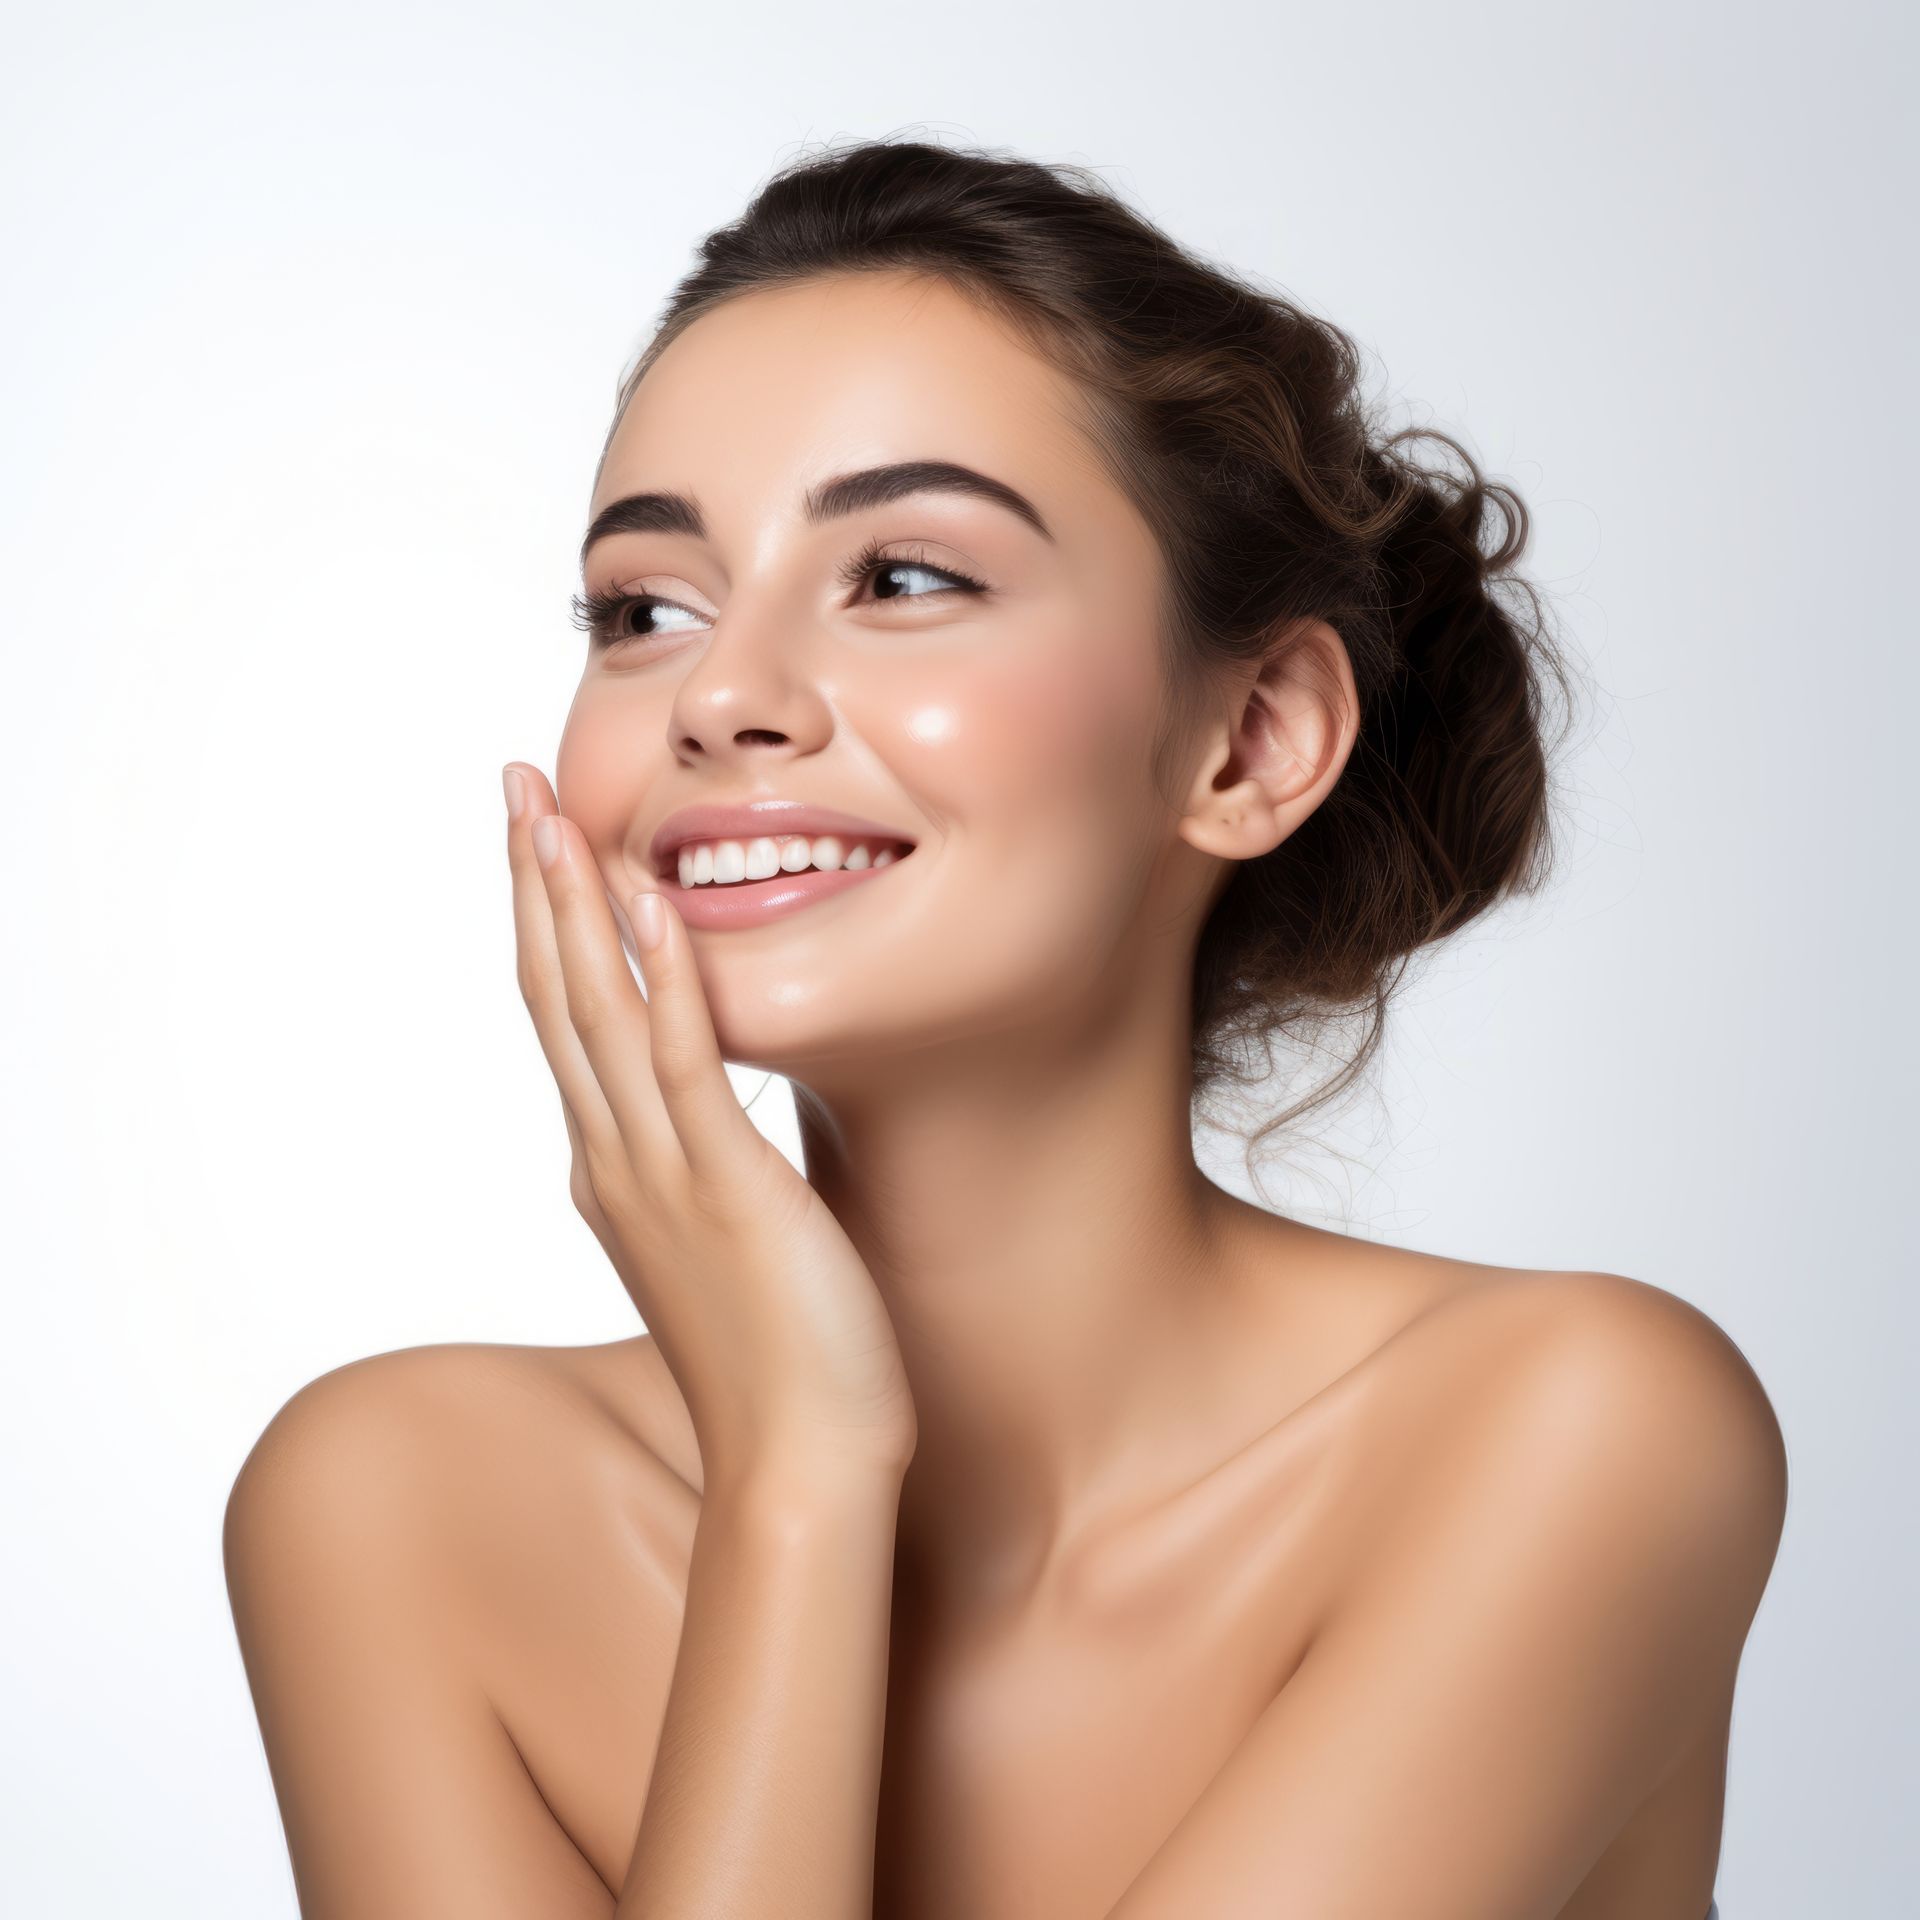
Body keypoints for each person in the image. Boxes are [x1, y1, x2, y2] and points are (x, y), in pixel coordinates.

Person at [223, 137, 1783, 1919]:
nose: (723, 695)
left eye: (904, 579)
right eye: (645, 609)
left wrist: (797, 1473)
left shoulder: (1569, 1439)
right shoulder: (399, 1509)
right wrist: (796, 1475)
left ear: (1252, 740)